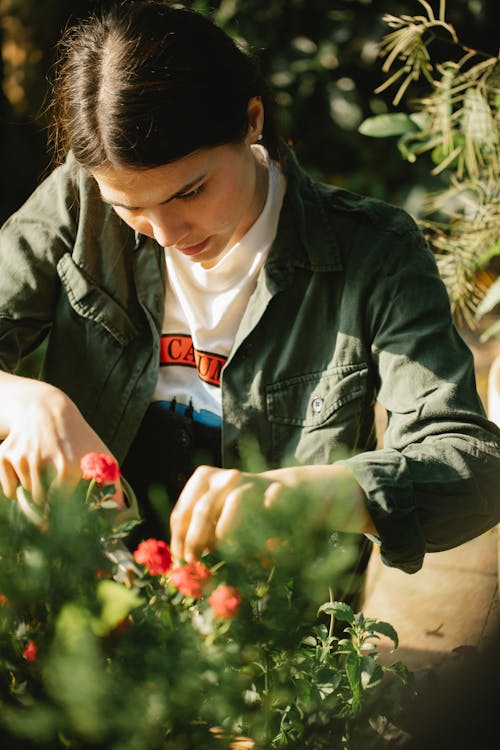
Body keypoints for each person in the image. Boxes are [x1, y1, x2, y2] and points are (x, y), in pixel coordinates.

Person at [0, 1, 498, 580]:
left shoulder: (374, 252)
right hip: (86, 582)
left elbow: (470, 466)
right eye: (130, 207)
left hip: (268, 621)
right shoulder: (76, 202)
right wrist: (31, 403)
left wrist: (306, 496)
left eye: (190, 192)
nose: (166, 234)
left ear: (252, 120)